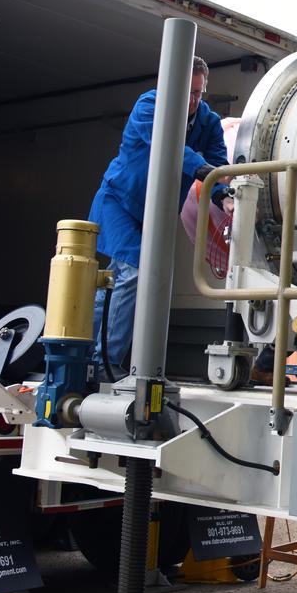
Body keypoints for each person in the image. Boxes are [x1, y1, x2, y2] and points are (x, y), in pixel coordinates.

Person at [89, 56, 233, 376]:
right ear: (170, 86)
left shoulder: (207, 120)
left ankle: (94, 353)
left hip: (157, 211)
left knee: (124, 277)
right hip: (120, 202)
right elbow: (167, 145)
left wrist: (224, 197)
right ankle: (105, 364)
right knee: (134, 269)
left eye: (199, 93)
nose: (193, 101)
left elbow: (217, 164)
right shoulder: (148, 106)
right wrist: (202, 170)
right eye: (187, 92)